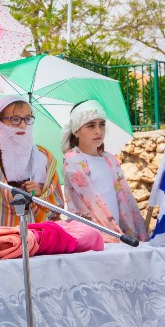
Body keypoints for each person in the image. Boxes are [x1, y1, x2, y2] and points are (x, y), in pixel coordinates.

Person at [61, 100, 148, 241]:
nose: (98, 131)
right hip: (92, 236)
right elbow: (89, 204)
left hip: (119, 233)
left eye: (102, 124)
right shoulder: (73, 160)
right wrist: (112, 234)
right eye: (90, 125)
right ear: (76, 131)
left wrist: (131, 231)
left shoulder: (110, 160)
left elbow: (125, 198)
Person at [0, 95, 64, 228]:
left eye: (28, 119)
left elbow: (57, 203)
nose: (23, 125)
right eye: (15, 119)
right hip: (3, 235)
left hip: (41, 236)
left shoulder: (45, 156)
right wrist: (27, 197)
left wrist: (39, 193)